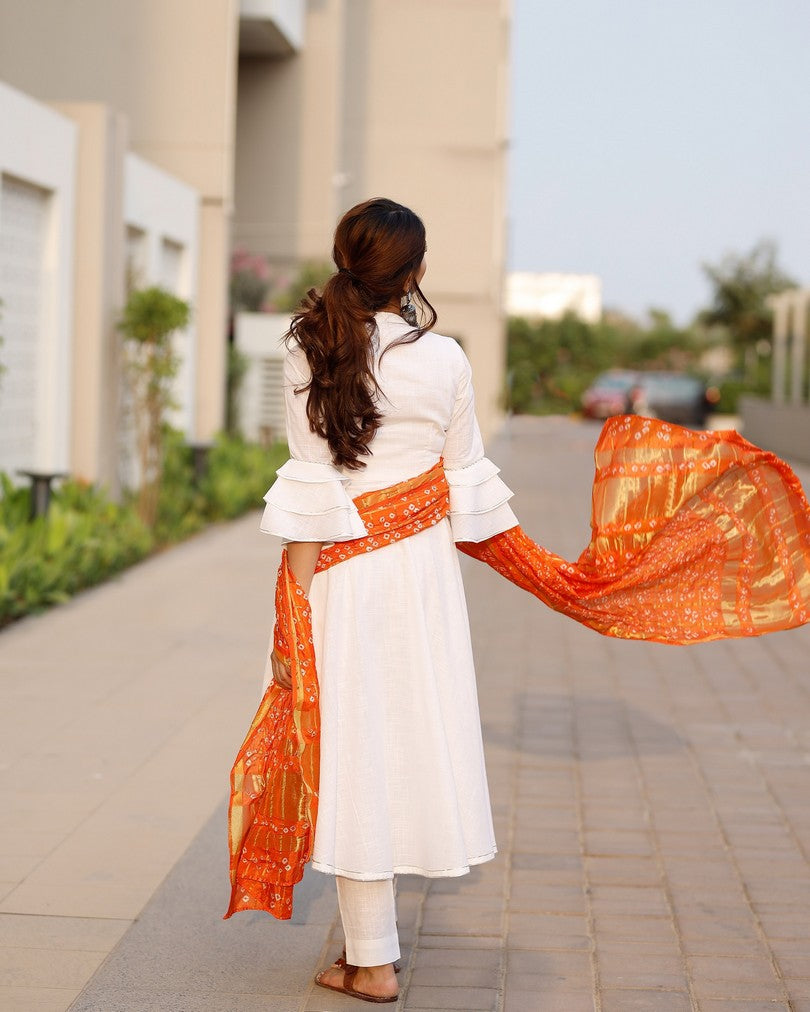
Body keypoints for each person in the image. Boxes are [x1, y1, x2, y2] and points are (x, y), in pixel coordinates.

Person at [260, 197, 518, 1002]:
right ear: (416, 272)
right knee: (406, 742)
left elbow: (311, 488)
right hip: (421, 580)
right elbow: (463, 479)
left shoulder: (309, 348)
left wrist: (290, 617)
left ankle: (372, 958)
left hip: (339, 577)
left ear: (346, 260)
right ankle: (372, 953)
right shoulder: (446, 360)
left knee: (353, 752)